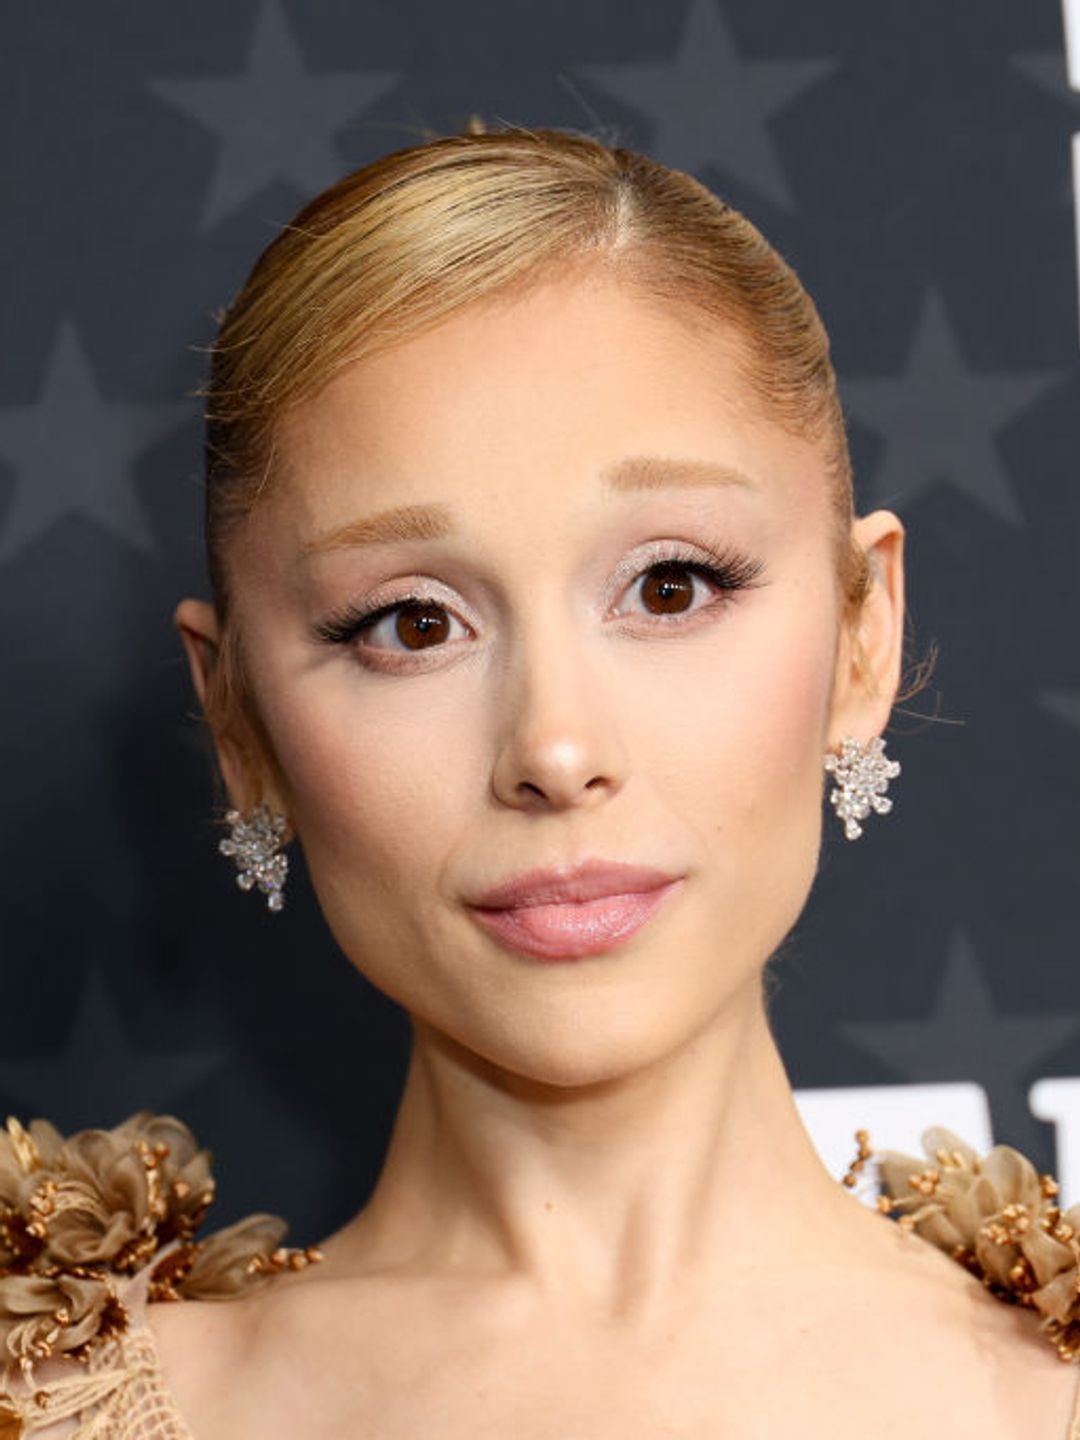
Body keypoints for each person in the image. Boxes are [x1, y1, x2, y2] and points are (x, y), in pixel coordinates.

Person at [2, 121, 1079, 1439]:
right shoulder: (64, 1409)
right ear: (239, 723)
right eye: (410, 623)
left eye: (671, 587)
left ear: (865, 636)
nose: (557, 751)